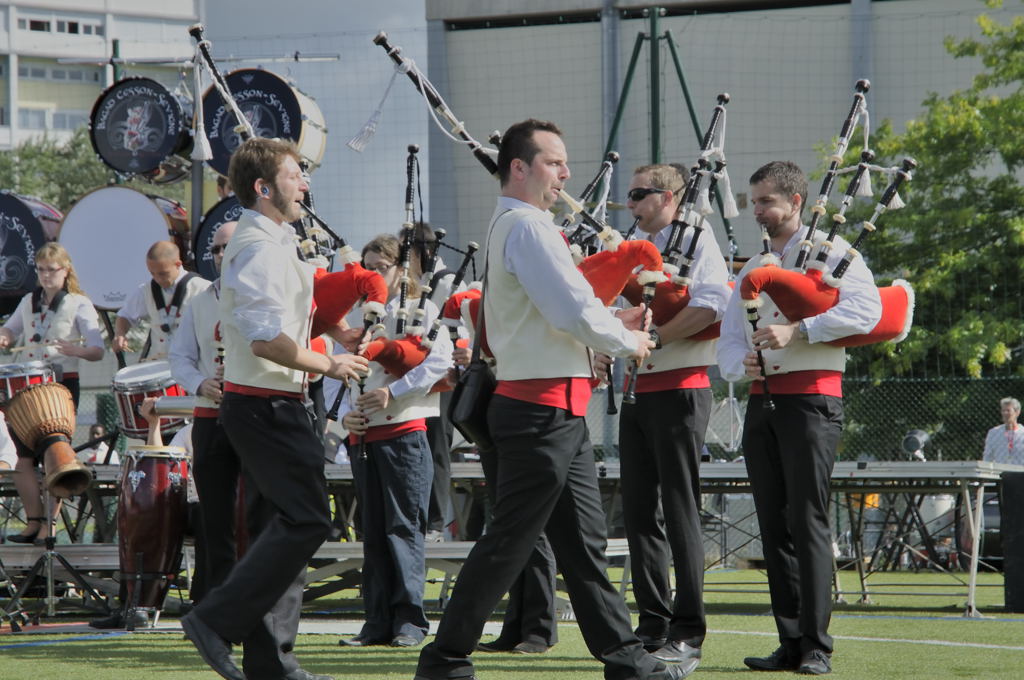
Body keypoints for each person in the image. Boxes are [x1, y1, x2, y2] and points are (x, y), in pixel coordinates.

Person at [414, 118, 691, 680]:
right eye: (554, 161)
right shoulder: (530, 228)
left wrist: (614, 323)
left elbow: (558, 312)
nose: (566, 173)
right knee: (511, 542)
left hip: (551, 408)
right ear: (519, 167)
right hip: (542, 410)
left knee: (582, 544)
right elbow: (569, 311)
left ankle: (627, 661)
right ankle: (443, 657)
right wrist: (628, 336)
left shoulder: (520, 225)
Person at [180, 137, 367, 680]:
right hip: (266, 404)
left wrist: (334, 332)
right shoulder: (260, 247)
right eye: (295, 174)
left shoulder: (276, 241)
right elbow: (265, 339)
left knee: (282, 527)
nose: (305, 183)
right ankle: (214, 620)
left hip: (270, 402)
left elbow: (288, 317)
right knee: (307, 519)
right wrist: (329, 364)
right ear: (264, 189)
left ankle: (272, 662)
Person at [716, 161, 882, 676]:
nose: (758, 211)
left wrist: (801, 330)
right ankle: (789, 642)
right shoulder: (753, 265)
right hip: (762, 401)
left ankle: (816, 646)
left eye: (766, 201)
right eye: (754, 202)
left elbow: (868, 311)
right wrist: (737, 367)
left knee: (806, 521)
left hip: (813, 399)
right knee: (773, 525)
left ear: (794, 200)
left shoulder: (832, 252)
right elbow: (728, 337)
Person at [615, 163, 731, 668]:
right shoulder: (629, 243)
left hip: (681, 388)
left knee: (680, 509)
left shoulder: (697, 236)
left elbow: (712, 304)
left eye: (639, 194)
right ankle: (653, 623)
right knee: (640, 514)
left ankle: (689, 629)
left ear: (668, 197)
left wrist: (657, 336)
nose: (631, 203)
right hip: (635, 392)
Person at [337, 234, 452, 649]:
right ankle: (376, 621)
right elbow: (343, 372)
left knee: (403, 529)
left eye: (381, 267)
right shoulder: (356, 314)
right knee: (373, 530)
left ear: (401, 270)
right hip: (363, 435)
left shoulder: (423, 310)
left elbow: (440, 362)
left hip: (404, 432)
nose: (373, 275)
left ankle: (409, 621)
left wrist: (393, 393)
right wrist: (344, 418)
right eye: (366, 267)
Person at [0, 243, 105, 544]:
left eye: (52, 270)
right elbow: (9, 330)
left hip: (59, 384)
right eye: (41, 269)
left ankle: (50, 524)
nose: (46, 276)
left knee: (54, 456)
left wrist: (76, 350)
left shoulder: (79, 303)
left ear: (65, 270)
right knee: (22, 458)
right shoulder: (27, 301)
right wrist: (4, 337)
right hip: (25, 388)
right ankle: (33, 522)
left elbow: (98, 350)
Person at [169, 220, 239, 605]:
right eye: (216, 249)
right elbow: (179, 357)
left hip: (256, 416)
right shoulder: (198, 301)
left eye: (230, 246)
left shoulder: (261, 294)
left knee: (255, 512)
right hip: (211, 416)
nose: (222, 255)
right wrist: (200, 384)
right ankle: (212, 602)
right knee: (213, 512)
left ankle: (253, 600)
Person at [113, 241, 210, 360]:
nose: (158, 279)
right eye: (152, 274)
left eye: (163, 274)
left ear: (178, 264)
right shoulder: (147, 290)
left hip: (196, 364)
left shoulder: (202, 288)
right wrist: (120, 334)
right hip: (161, 363)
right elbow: (126, 315)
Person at [982, 397, 1024, 466]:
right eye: (1003, 410)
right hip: (999, 473)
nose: (1005, 413)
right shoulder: (993, 433)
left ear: (1017, 412)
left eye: (1008, 410)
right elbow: (987, 456)